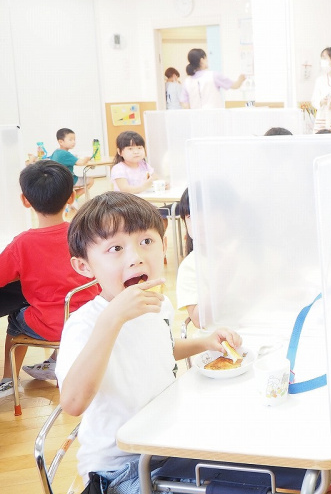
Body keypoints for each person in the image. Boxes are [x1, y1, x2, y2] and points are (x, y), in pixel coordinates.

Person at [56, 192, 242, 491]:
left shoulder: (157, 304)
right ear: (84, 266)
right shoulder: (86, 324)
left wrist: (205, 342)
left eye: (146, 241)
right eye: (115, 248)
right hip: (120, 468)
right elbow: (73, 402)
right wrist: (111, 321)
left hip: (168, 444)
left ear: (164, 246)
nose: (136, 257)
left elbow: (160, 349)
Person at [0, 161, 99, 394]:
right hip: (90, 319)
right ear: (71, 197)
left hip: (51, 326)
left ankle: (8, 379)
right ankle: (55, 361)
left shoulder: (22, 244)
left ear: (25, 200)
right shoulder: (85, 234)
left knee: (16, 316)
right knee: (63, 299)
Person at [179, 48, 245, 110]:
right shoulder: (213, 75)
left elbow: (184, 104)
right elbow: (235, 85)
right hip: (215, 116)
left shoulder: (187, 81)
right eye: (206, 59)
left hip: (196, 117)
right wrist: (241, 79)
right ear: (202, 60)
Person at [175, 188, 200, 327]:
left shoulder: (245, 252)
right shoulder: (190, 266)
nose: (198, 223)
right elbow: (198, 321)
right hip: (218, 336)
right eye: (190, 216)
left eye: (206, 214)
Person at [50, 127, 94, 202]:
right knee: (91, 180)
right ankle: (74, 197)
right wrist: (88, 157)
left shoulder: (56, 152)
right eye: (70, 140)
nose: (73, 142)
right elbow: (81, 163)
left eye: (74, 139)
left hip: (57, 181)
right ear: (61, 142)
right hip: (68, 181)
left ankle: (71, 197)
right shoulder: (65, 154)